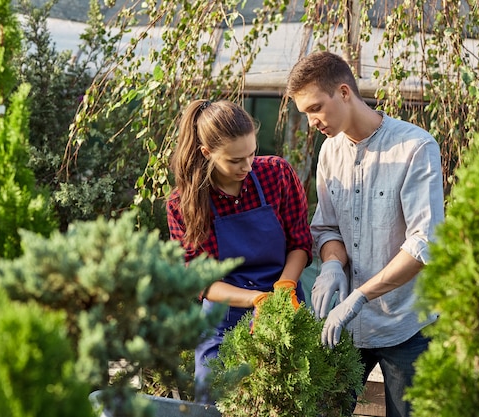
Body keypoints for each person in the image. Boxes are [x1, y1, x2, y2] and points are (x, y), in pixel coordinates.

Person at [285, 51, 445, 417]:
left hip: (405, 328)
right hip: (342, 331)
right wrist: (331, 265)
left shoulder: (416, 148)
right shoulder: (329, 152)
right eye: (305, 114)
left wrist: (358, 296)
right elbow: (327, 227)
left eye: (315, 109)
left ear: (344, 92)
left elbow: (424, 244)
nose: (311, 122)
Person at [166, 99, 313, 403]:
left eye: (251, 153)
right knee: (214, 404)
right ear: (207, 153)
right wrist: (255, 299)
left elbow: (299, 242)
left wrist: (283, 290)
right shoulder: (184, 204)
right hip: (223, 319)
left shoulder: (277, 174)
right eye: (235, 160)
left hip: (283, 308)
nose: (246, 166)